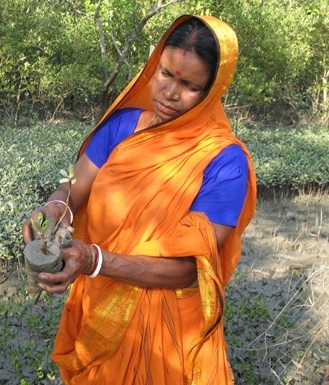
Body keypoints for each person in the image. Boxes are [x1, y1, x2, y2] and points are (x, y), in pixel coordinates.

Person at [22, 14, 257, 385]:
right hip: (99, 304)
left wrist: (94, 259)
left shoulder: (224, 161)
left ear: (213, 90)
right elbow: (73, 189)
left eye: (189, 85)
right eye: (164, 74)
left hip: (169, 334)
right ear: (153, 65)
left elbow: (190, 268)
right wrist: (54, 209)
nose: (169, 92)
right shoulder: (122, 127)